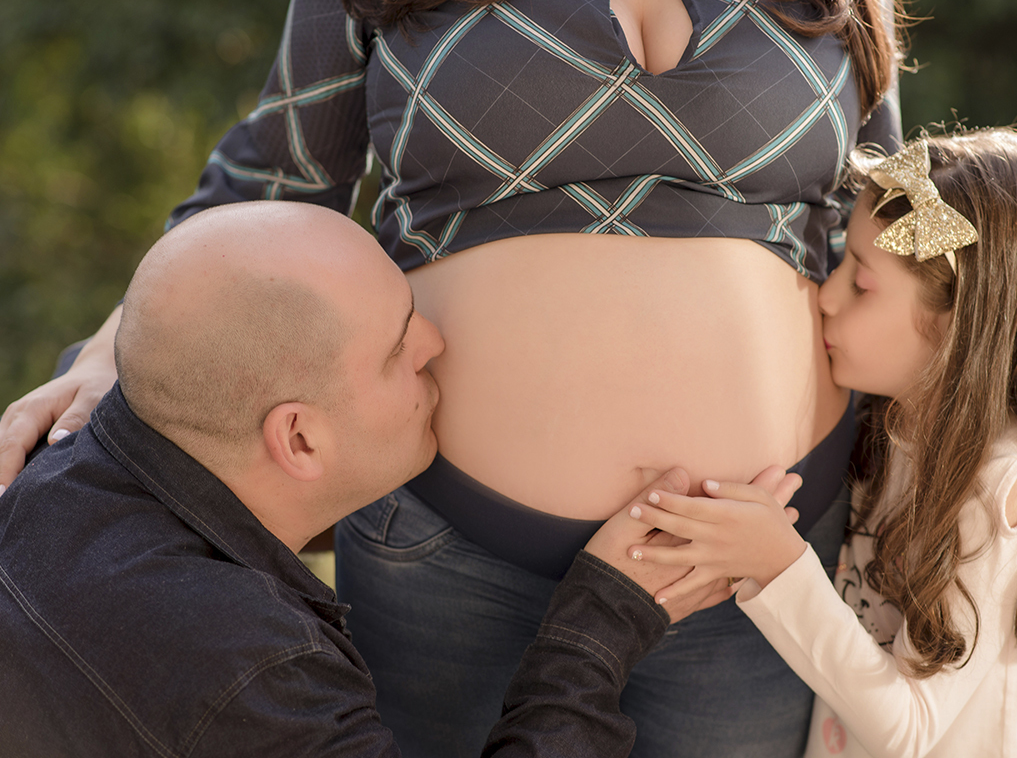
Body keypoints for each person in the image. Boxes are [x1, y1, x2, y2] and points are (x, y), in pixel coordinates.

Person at [0, 0, 905, 754]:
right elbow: (268, 189)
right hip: (451, 552)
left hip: (758, 554)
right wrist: (108, 355)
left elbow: (897, 231)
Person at [0, 200, 782, 757]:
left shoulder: (47, 484)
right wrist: (596, 629)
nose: (435, 342)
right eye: (397, 347)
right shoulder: (252, 680)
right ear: (299, 438)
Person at [625, 129, 1017, 757]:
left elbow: (908, 730)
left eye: (861, 282)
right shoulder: (901, 427)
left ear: (959, 320)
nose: (826, 296)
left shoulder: (1003, 485)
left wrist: (775, 564)